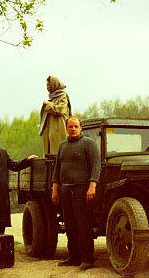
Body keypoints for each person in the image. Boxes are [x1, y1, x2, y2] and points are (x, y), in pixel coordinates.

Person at [51, 116, 101, 271]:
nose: (73, 129)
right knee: (70, 225)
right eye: (70, 126)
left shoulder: (88, 143)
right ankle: (73, 256)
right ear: (66, 128)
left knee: (83, 225)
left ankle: (87, 258)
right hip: (66, 190)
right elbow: (57, 168)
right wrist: (55, 190)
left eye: (76, 126)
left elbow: (96, 165)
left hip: (82, 190)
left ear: (81, 128)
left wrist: (92, 186)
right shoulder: (62, 145)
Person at [39, 75, 72, 156]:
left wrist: (48, 104)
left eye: (48, 85)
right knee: (49, 156)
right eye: (46, 85)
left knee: (58, 153)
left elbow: (60, 110)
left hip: (59, 130)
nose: (47, 87)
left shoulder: (62, 96)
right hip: (50, 131)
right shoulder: (52, 97)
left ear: (54, 85)